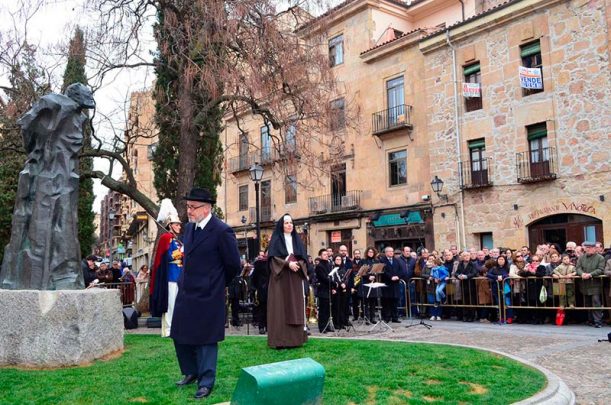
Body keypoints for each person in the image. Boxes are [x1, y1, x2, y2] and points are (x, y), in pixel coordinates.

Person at [171, 188, 240, 400]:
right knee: (180, 334)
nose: (189, 211)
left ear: (207, 208)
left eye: (193, 207)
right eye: (188, 206)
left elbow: (233, 265)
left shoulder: (222, 231)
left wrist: (216, 283)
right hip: (187, 291)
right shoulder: (189, 229)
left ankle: (206, 382)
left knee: (205, 340)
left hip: (209, 293)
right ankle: (190, 371)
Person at [266, 214, 308, 349]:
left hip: (295, 277)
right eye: (286, 223)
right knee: (280, 307)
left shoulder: (297, 240)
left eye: (291, 222)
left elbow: (304, 258)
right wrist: (287, 264)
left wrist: (298, 264)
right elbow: (273, 259)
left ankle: (295, 340)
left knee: (295, 307)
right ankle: (280, 340)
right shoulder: (276, 240)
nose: (290, 225)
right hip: (281, 278)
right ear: (281, 225)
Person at [150, 212, 183, 338]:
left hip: (179, 274)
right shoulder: (166, 238)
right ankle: (168, 329)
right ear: (170, 225)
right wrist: (181, 252)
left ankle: (177, 327)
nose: (179, 227)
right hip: (170, 275)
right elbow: (167, 256)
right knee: (171, 304)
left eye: (179, 225)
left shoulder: (177, 240)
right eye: (177, 225)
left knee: (178, 303)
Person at [575, 241, 605, 328]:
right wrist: (582, 274)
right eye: (587, 248)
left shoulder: (600, 258)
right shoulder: (581, 257)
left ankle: (598, 321)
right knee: (587, 302)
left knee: (596, 302)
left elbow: (601, 269)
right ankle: (590, 320)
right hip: (585, 284)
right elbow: (578, 268)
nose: (588, 249)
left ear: (595, 248)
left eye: (590, 248)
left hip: (595, 284)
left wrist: (590, 274)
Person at [380, 246, 403, 323]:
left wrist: (398, 276)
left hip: (395, 284)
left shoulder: (396, 260)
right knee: (387, 302)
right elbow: (383, 271)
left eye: (392, 251)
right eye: (389, 251)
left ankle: (395, 317)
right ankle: (386, 317)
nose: (391, 253)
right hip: (387, 284)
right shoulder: (382, 260)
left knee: (395, 301)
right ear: (386, 252)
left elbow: (401, 270)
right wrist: (390, 277)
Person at [250, 251, 269, 334]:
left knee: (270, 309)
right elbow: (254, 277)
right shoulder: (259, 263)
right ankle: (261, 327)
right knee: (262, 309)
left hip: (271, 289)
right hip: (262, 289)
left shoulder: (272, 262)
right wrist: (254, 289)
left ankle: (268, 326)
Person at [315, 249, 333, 333]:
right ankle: (322, 327)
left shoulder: (329, 264)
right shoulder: (319, 266)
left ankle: (327, 326)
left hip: (328, 289)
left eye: (327, 254)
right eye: (324, 254)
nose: (326, 256)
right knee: (323, 310)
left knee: (328, 310)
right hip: (322, 290)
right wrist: (334, 283)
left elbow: (330, 276)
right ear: (320, 256)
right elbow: (324, 278)